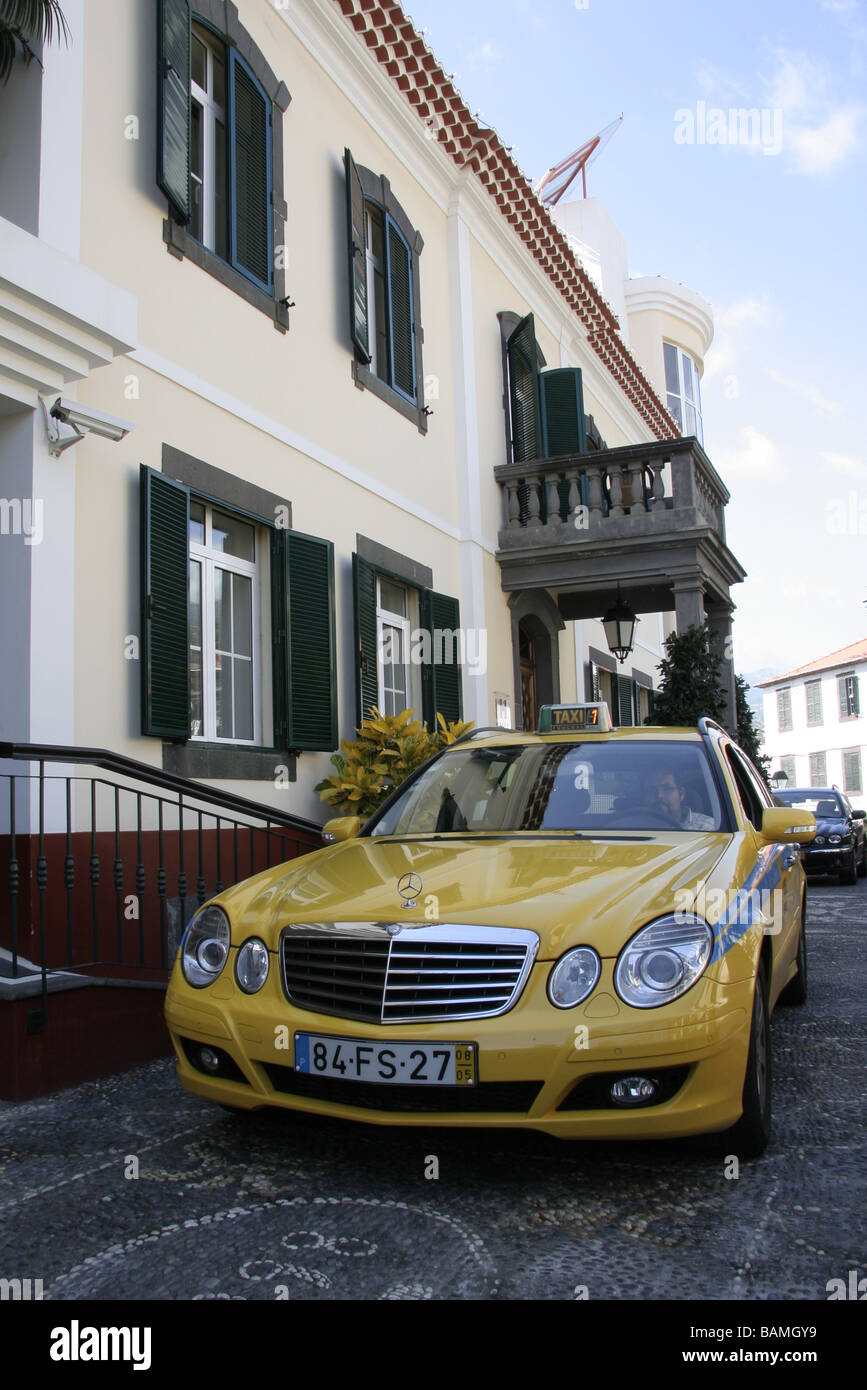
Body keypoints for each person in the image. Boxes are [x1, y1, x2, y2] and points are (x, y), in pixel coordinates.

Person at [642, 767, 715, 830]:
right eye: (651, 790)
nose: (659, 795)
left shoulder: (708, 828)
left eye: (667, 788)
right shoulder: (634, 825)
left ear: (681, 794)